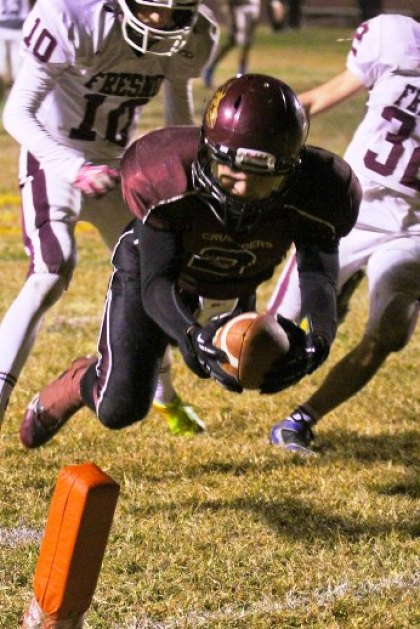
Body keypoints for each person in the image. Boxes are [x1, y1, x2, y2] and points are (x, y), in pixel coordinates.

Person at [18, 73, 361, 449]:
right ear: (208, 153)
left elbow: (318, 271)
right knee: (120, 408)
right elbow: (156, 283)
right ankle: (78, 380)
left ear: (290, 169)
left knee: (238, 366)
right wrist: (189, 336)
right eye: (232, 175)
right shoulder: (165, 174)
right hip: (157, 271)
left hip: (233, 276)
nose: (244, 190)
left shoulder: (321, 189)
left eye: (262, 180)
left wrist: (322, 337)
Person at [0, 0, 219, 437]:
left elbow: (179, 115)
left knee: (156, 278)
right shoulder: (72, 15)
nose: (161, 20)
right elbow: (17, 112)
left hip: (119, 166)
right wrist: (72, 167)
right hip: (56, 156)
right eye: (152, 7)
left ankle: (164, 395)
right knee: (51, 269)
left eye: (176, 10)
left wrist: (189, 177)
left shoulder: (194, 32)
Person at [269, 14, 420, 455]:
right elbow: (317, 100)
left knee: (384, 335)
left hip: (412, 227)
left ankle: (301, 421)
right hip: (351, 208)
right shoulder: (396, 41)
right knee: (269, 348)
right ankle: (340, 286)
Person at [203, 0, 260, 88]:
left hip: (253, 5)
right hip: (237, 5)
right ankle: (210, 68)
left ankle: (242, 74)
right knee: (233, 40)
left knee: (248, 42)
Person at [0, 0, 32, 100]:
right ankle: (13, 94)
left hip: (10, 27)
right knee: (15, 66)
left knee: (12, 67)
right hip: (18, 27)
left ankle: (14, 94)